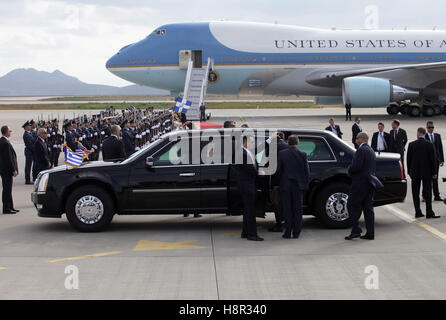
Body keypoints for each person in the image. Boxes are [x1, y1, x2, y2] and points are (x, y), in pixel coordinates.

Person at [276, 135, 310, 239]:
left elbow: (278, 171)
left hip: (285, 186)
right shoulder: (303, 154)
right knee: (298, 210)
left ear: (287, 142)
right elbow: (307, 172)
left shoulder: (282, 154)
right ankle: (296, 233)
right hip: (298, 186)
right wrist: (304, 184)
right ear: (297, 143)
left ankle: (287, 233)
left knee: (287, 209)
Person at [345, 132, 377, 240]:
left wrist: (349, 170)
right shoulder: (371, 150)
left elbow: (357, 166)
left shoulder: (361, 150)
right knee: (368, 208)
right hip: (369, 183)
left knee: (351, 205)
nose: (355, 139)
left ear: (363, 139)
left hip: (360, 183)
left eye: (357, 138)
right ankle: (370, 233)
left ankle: (356, 229)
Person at [232, 135, 263, 241]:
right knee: (251, 211)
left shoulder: (247, 152)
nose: (253, 143)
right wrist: (259, 173)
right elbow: (250, 169)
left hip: (249, 184)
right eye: (251, 141)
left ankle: (245, 232)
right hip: (246, 185)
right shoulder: (241, 153)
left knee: (247, 210)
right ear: (245, 141)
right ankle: (252, 234)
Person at [407, 127, 440, 219]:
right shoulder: (429, 145)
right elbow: (433, 160)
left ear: (418, 133)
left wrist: (410, 172)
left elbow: (408, 160)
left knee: (415, 193)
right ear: (424, 134)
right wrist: (434, 172)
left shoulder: (411, 144)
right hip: (427, 173)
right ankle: (429, 212)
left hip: (415, 173)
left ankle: (418, 212)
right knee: (428, 193)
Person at [266, 132, 289, 232]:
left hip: (276, 180)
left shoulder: (273, 147)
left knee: (277, 203)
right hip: (288, 180)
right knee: (286, 203)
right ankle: (287, 222)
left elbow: (264, 158)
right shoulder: (288, 146)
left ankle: (279, 223)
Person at [0, 126, 19, 214]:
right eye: (9, 131)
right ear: (6, 132)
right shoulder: (5, 143)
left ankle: (10, 206)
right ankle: (6, 208)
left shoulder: (3, 141)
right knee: (7, 189)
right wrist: (13, 169)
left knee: (8, 189)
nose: (10, 133)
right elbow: (8, 158)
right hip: (7, 170)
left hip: (4, 170)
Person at [425, 121, 444, 201]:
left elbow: (440, 148)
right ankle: (425, 196)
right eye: (429, 127)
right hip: (428, 161)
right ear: (427, 128)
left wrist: (442, 160)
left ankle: (437, 195)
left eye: (432, 127)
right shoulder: (425, 136)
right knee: (427, 179)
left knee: (435, 178)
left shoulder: (437, 136)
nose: (431, 129)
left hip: (436, 160)